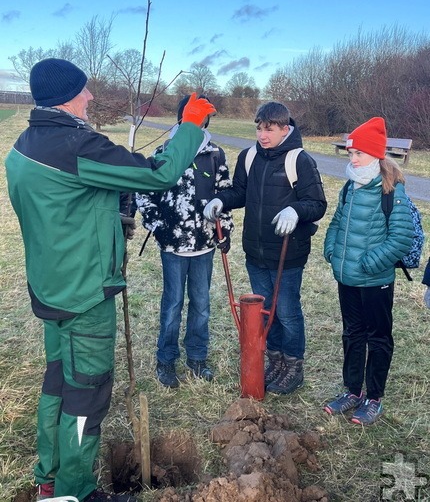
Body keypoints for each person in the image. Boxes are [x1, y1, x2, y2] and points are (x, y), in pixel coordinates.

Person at [5, 58, 216, 502]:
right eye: (84, 90)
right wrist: (191, 126)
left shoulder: (24, 146)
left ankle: (49, 477)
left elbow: (62, 209)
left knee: (57, 383)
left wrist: (109, 218)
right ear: (67, 96)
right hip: (84, 296)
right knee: (87, 395)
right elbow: (158, 173)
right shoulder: (75, 145)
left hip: (51, 290)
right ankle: (76, 492)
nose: (91, 97)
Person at [203, 101, 327, 395]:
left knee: (286, 311)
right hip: (256, 251)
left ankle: (293, 365)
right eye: (259, 128)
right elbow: (240, 192)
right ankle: (275, 360)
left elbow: (317, 203)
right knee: (266, 310)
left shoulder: (299, 160)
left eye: (269, 129)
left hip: (287, 253)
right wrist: (222, 200)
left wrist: (295, 211)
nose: (262, 135)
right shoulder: (249, 157)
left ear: (285, 129)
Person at [136, 95, 234, 388]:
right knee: (173, 303)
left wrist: (225, 227)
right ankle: (166, 360)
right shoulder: (165, 151)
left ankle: (197, 357)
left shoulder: (215, 154)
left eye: (204, 118)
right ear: (181, 119)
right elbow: (144, 192)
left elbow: (225, 193)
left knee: (201, 304)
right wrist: (157, 225)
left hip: (204, 244)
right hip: (173, 245)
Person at [323, 117, 414, 425]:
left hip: (375, 281)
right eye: (350, 154)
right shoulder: (350, 187)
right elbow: (337, 223)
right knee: (352, 333)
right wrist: (332, 251)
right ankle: (352, 391)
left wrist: (369, 263)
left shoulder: (392, 191)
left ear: (375, 154)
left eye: (358, 154)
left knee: (378, 339)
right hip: (346, 277)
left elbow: (401, 238)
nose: (353, 159)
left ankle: (374, 398)